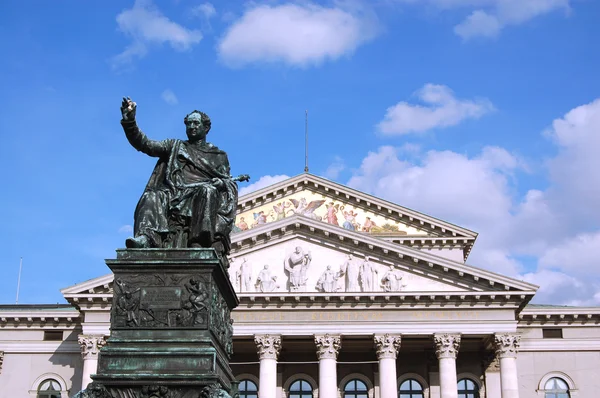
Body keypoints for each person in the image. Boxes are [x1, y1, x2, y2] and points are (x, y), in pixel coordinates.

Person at [120, 97, 240, 253]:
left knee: (207, 191)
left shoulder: (218, 155)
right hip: (174, 191)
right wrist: (130, 123)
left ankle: (198, 242)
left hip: (200, 193)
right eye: (189, 123)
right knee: (151, 196)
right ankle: (146, 238)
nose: (192, 127)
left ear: (206, 128)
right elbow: (145, 144)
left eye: (196, 123)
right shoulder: (174, 146)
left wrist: (221, 183)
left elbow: (229, 183)